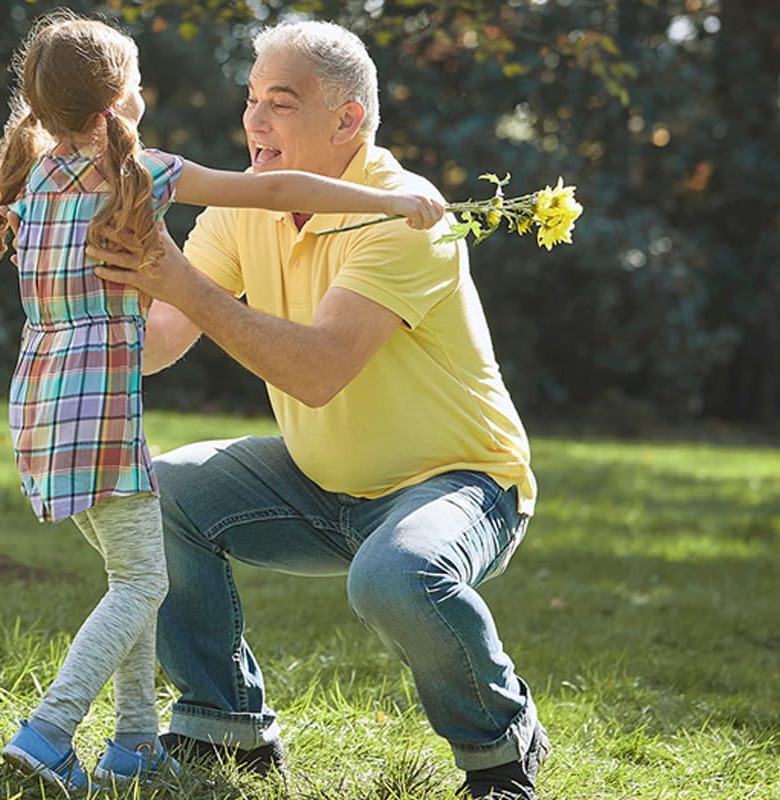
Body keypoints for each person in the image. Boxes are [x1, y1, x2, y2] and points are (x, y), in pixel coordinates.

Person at [0, 11, 443, 794]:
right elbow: (278, 188)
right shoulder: (140, 172)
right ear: (115, 107)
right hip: (101, 411)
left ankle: (131, 746)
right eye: (136, 85)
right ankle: (50, 730)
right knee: (140, 587)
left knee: (133, 573)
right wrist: (392, 205)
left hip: (40, 402)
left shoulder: (33, 179)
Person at [87, 19, 549, 800]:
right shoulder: (245, 206)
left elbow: (318, 370)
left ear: (347, 119)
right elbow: (163, 336)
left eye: (282, 102)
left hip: (462, 483)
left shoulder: (403, 215)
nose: (255, 122)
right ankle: (223, 727)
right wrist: (94, 288)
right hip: (321, 481)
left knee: (399, 577)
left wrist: (176, 279)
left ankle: (501, 749)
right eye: (252, 99)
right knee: (155, 495)